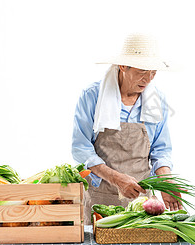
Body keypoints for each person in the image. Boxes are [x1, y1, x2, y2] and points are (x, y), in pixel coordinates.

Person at [71, 33, 182, 224]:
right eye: (142, 71)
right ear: (123, 66)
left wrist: (166, 181)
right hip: (100, 199)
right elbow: (81, 148)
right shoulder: (92, 97)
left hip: (140, 202)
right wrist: (116, 179)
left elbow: (161, 150)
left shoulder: (157, 101)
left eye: (153, 73)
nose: (148, 79)